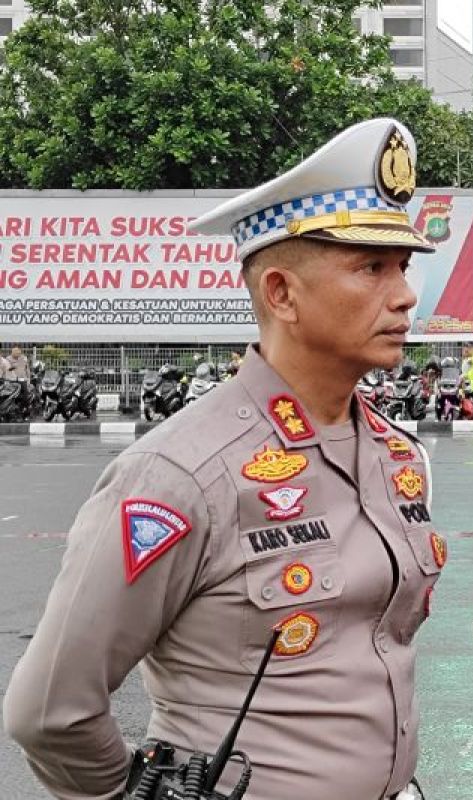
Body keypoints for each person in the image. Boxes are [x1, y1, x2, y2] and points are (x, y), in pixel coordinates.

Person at [4, 118, 444, 800]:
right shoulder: (180, 475)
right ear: (280, 293)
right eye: (370, 267)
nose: (405, 294)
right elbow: (48, 711)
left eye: (404, 267)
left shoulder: (397, 453)